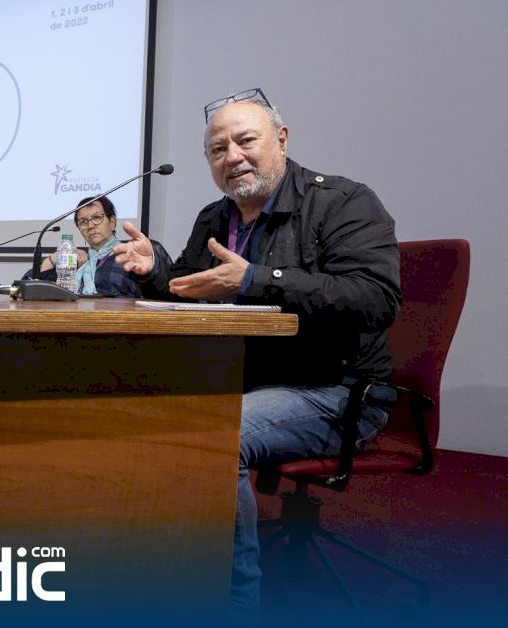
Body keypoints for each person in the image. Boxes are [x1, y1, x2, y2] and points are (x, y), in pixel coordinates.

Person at [112, 89, 402, 612]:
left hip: (336, 390)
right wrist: (154, 269)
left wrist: (257, 279)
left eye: (245, 141)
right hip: (246, 381)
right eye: (217, 150)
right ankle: (161, 565)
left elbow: (375, 299)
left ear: (282, 140)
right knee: (132, 409)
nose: (233, 157)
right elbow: (190, 290)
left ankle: (233, 603)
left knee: (213, 435)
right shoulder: (214, 217)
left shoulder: (343, 202)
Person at [25, 196, 157, 296]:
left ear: (112, 222)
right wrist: (55, 257)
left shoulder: (129, 256)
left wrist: (153, 264)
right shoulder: (77, 260)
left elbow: (157, 291)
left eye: (97, 217)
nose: (90, 225)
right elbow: (28, 285)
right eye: (83, 222)